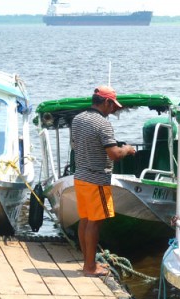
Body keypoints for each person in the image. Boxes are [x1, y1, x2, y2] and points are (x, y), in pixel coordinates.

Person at [71, 85, 136, 277]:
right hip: (96, 179)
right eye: (113, 105)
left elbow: (76, 145)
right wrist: (128, 149)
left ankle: (87, 263)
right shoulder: (102, 123)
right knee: (95, 223)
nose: (114, 109)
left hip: (80, 177)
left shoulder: (78, 119)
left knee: (85, 220)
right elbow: (114, 154)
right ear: (106, 102)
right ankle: (90, 268)